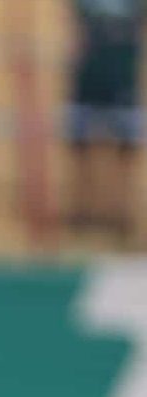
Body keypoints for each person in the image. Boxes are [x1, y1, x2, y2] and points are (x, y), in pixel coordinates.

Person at [64, 0, 147, 244]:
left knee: (125, 150)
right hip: (88, 78)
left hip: (122, 77)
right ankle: (83, 211)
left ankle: (120, 213)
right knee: (80, 147)